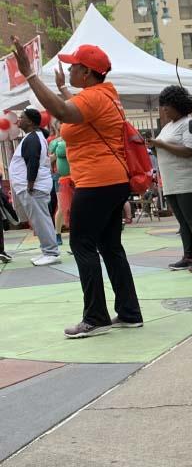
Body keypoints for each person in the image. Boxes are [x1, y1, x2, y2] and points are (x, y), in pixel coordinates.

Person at [12, 38, 143, 337]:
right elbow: (73, 108)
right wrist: (61, 89)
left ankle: (95, 317)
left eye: (73, 66)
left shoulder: (94, 98)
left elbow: (63, 110)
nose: (69, 70)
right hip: (111, 180)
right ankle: (129, 312)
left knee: (81, 244)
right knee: (110, 246)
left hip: (96, 181)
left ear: (87, 72)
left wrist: (30, 75)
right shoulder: (104, 94)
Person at [147, 86, 192, 272]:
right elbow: (164, 150)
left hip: (188, 179)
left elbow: (188, 151)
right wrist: (155, 147)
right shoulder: (168, 126)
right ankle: (188, 256)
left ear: (178, 105)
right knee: (183, 222)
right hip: (172, 180)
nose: (164, 108)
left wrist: (160, 144)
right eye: (163, 105)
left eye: (167, 105)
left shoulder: (189, 123)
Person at [8, 108, 61, 266]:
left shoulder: (32, 139)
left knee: (41, 220)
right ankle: (48, 250)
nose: (19, 120)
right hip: (33, 186)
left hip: (33, 187)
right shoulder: (35, 136)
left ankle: (51, 252)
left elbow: (33, 161)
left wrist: (30, 184)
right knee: (40, 220)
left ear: (30, 122)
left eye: (22, 118)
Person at [49, 125, 74, 236]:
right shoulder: (55, 143)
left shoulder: (74, 140)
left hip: (75, 176)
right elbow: (49, 160)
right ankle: (57, 233)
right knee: (61, 206)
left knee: (76, 205)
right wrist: (55, 156)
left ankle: (75, 232)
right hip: (60, 177)